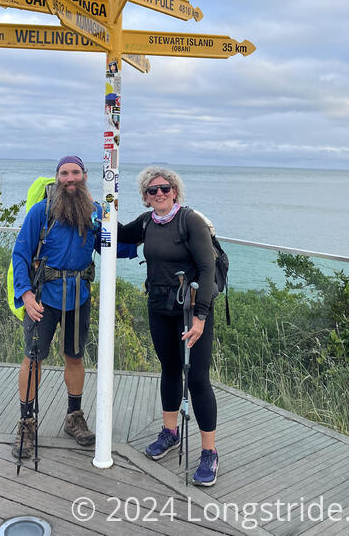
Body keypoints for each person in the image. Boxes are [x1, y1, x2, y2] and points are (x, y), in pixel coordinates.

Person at [11, 155, 136, 459]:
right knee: (33, 359)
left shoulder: (93, 212)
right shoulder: (41, 213)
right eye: (65, 173)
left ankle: (74, 417)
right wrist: (25, 295)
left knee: (75, 357)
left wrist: (147, 236)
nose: (70, 178)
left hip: (78, 296)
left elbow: (109, 246)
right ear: (57, 178)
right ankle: (27, 423)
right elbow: (21, 253)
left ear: (84, 177)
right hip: (42, 298)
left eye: (76, 173)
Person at [118, 166, 219, 486]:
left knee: (198, 379)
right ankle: (170, 432)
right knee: (170, 370)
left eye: (164, 188)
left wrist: (201, 317)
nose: (159, 194)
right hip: (159, 307)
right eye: (152, 190)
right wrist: (98, 207)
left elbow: (207, 268)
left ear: (175, 191)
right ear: (145, 198)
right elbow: (119, 234)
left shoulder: (191, 221)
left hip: (190, 309)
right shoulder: (147, 222)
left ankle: (209, 453)